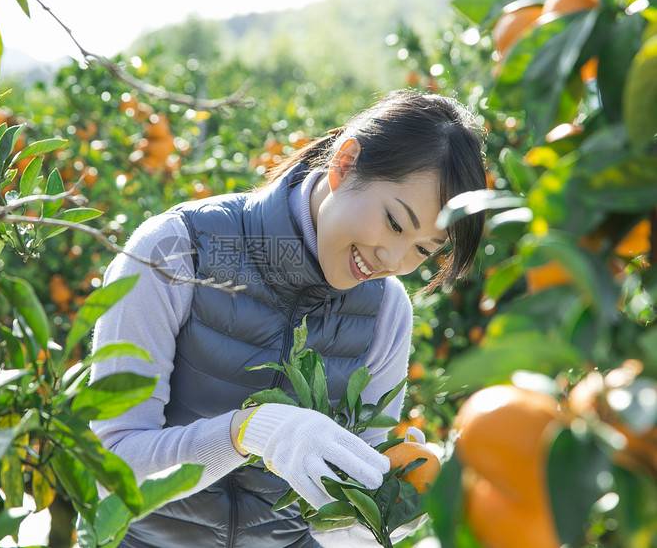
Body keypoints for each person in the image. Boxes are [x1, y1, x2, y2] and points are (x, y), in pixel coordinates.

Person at [89, 89, 487, 547]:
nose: (392, 259)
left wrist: (383, 502)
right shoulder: (177, 251)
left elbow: (346, 505)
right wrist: (245, 432)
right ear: (345, 163)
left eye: (422, 250)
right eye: (395, 222)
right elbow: (108, 473)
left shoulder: (386, 311)